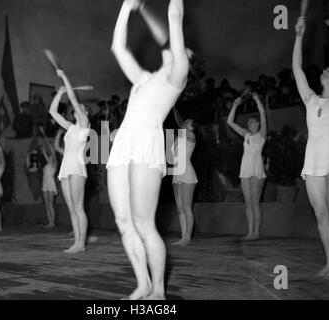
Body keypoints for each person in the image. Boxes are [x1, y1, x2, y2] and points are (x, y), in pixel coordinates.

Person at [107, 0, 189, 300]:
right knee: (123, 222)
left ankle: (158, 290)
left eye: (181, 47)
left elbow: (174, 16)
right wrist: (127, 7)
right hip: (123, 144)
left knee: (144, 223)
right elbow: (118, 47)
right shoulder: (143, 78)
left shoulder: (176, 76)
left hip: (146, 143)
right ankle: (142, 283)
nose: (174, 46)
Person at [293, 17, 329, 279]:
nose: (328, 70)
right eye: (327, 69)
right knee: (320, 212)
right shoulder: (311, 99)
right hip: (313, 160)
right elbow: (297, 69)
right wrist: (299, 36)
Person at [49, 70, 90, 253]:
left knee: (78, 207)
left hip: (77, 167)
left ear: (85, 113)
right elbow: (52, 112)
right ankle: (76, 242)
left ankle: (81, 243)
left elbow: (73, 100)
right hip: (66, 167)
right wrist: (59, 93)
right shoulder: (71, 127)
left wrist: (65, 78)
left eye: (82, 107)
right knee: (72, 208)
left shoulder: (84, 123)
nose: (78, 106)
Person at [227, 93, 267, 240]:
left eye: (251, 122)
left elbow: (263, 113)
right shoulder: (246, 135)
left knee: (255, 202)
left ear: (257, 124)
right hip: (245, 170)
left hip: (256, 170)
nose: (249, 124)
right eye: (248, 122)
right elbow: (230, 122)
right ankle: (250, 232)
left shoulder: (262, 134)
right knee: (248, 203)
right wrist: (235, 106)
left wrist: (257, 99)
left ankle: (256, 232)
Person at [171, 107, 198, 246]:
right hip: (176, 173)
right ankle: (183, 237)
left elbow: (180, 123)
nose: (185, 123)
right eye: (185, 122)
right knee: (179, 208)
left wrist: (174, 107)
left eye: (188, 122)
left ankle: (188, 237)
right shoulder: (177, 138)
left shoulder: (191, 137)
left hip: (187, 173)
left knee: (187, 206)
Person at [40, 127, 58, 228]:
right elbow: (48, 155)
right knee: (46, 204)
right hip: (45, 184)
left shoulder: (54, 164)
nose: (49, 156)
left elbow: (52, 152)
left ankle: (53, 222)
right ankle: (49, 222)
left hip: (51, 184)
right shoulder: (47, 164)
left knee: (50, 204)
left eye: (51, 155)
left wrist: (44, 135)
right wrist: (44, 152)